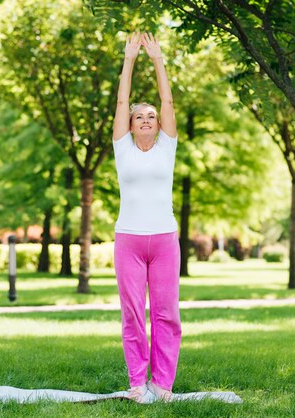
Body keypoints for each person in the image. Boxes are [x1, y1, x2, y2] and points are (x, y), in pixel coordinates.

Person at [112, 32, 181, 403]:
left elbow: (167, 98)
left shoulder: (167, 147)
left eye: (151, 116)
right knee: (134, 315)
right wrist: (129, 60)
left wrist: (157, 59)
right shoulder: (122, 148)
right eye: (139, 116)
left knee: (167, 314)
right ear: (131, 123)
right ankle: (138, 383)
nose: (145, 119)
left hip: (165, 240)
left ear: (158, 124)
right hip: (129, 240)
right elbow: (122, 99)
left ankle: (163, 386)